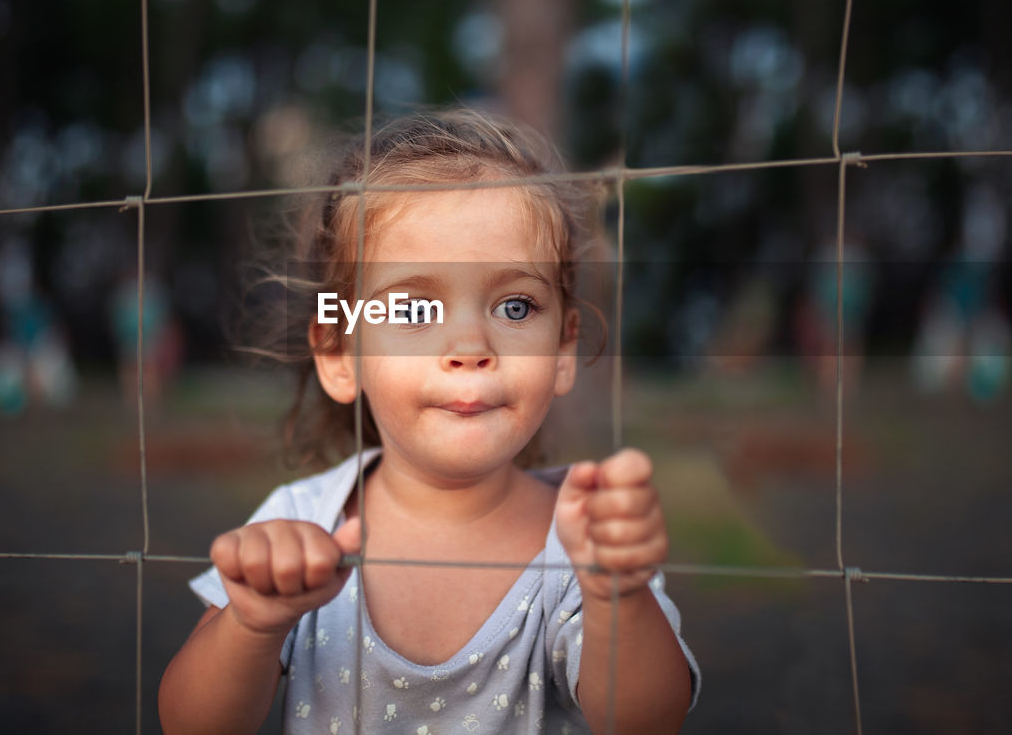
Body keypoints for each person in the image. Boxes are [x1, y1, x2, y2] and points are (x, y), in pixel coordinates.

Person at [158, 110, 698, 734]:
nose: (470, 344)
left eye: (515, 305)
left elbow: (647, 723)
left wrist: (617, 597)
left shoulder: (588, 532)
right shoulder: (301, 521)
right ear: (339, 354)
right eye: (415, 307)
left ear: (563, 347)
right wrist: (252, 623)